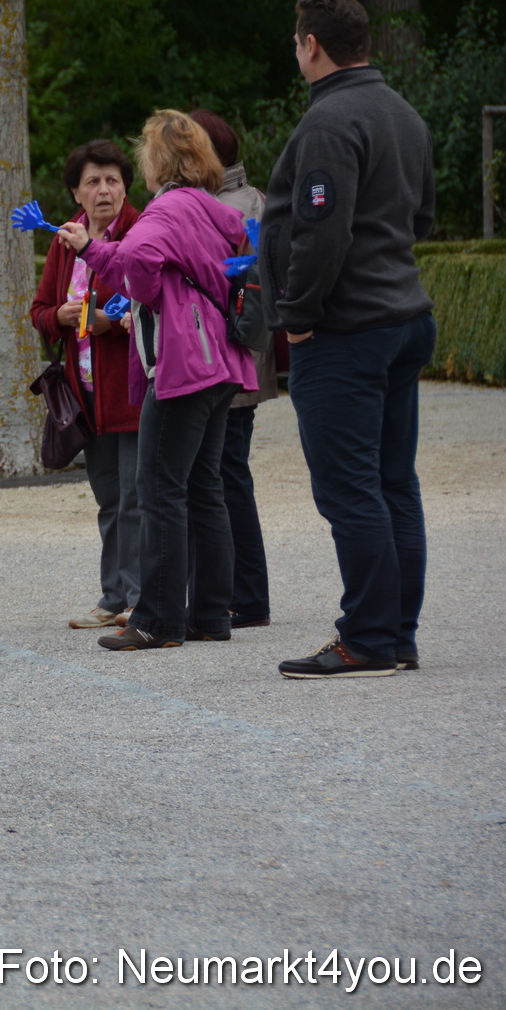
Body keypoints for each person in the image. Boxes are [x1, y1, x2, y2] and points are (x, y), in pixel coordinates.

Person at [262, 0, 436, 680]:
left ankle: (365, 637)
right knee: (394, 483)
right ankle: (396, 634)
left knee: (350, 489)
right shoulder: (403, 113)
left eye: (296, 42)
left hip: (346, 329)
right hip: (402, 316)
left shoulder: (330, 123)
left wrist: (297, 318)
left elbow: (321, 230)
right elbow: (421, 218)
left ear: (311, 44)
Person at [56, 110, 257, 652]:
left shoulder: (165, 208)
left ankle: (158, 620)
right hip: (223, 359)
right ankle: (211, 614)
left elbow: (140, 266)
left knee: (159, 489)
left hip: (184, 360)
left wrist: (105, 262)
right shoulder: (210, 208)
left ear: (159, 159)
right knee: (204, 488)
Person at [30, 139, 143, 631]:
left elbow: (158, 301)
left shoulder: (142, 231)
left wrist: (109, 322)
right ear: (76, 191)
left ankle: (144, 598)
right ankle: (113, 596)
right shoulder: (64, 240)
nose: (104, 190)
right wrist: (61, 314)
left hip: (133, 388)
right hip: (85, 395)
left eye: (113, 180)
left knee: (139, 495)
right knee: (109, 499)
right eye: (93, 181)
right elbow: (38, 312)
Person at [189, 109, 278, 633]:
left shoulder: (220, 205)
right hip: (250, 353)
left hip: (226, 355)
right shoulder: (255, 198)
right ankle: (242, 592)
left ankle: (244, 596)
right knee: (229, 474)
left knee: (225, 477)